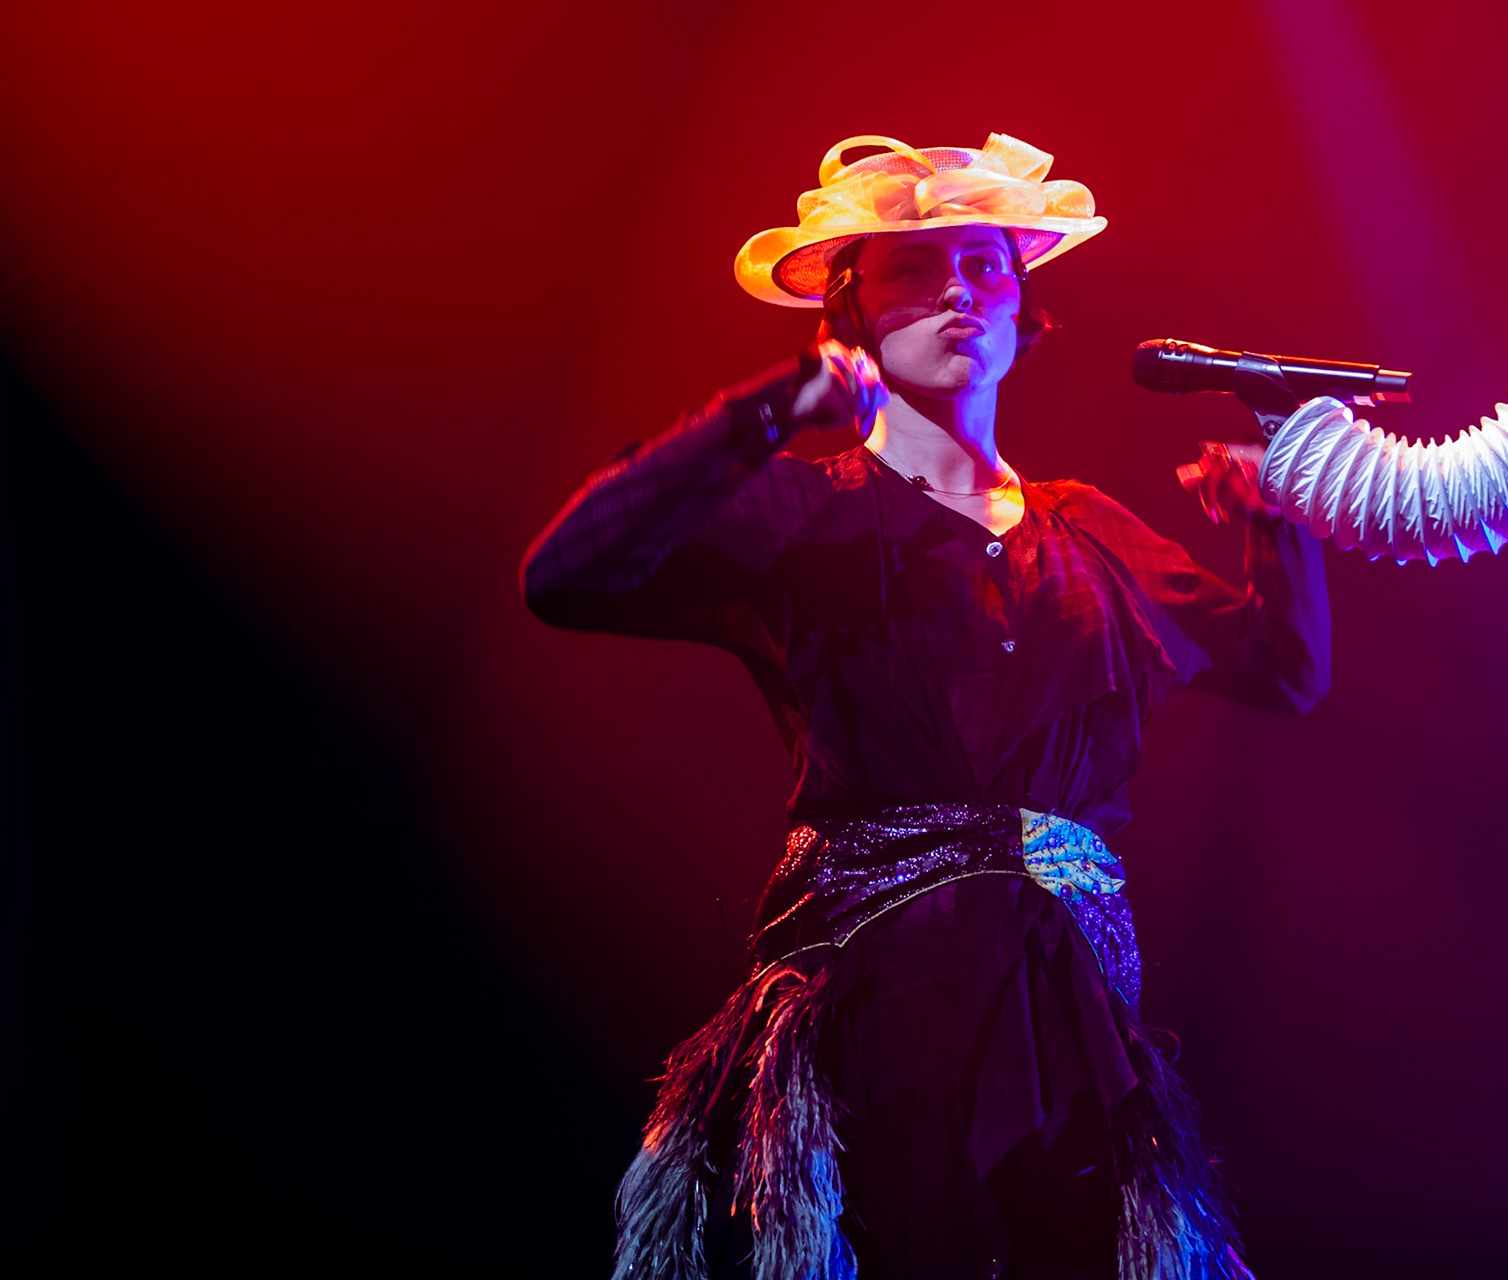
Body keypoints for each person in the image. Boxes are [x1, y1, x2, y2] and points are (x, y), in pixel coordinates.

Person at [522, 132, 1332, 1280]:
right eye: (917, 267)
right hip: (884, 1001)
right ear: (850, 309)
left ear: (1022, 310)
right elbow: (566, 572)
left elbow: (1283, 666)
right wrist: (767, 411)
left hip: (1071, 1022)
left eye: (988, 266)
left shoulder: (1086, 526)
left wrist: (1274, 506)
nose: (960, 289)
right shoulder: (802, 511)